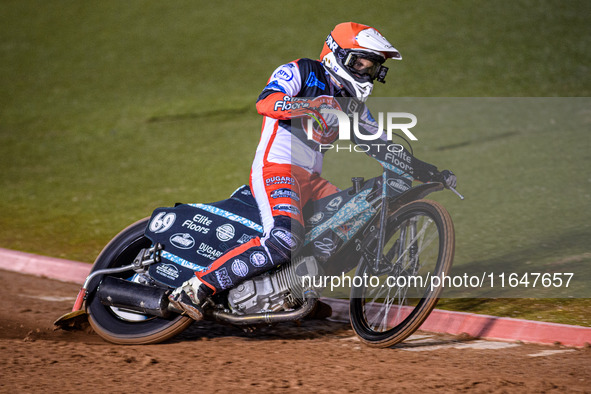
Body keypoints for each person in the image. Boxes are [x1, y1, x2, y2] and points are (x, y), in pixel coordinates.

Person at [168, 22, 457, 320]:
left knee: (352, 232)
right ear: (336, 54)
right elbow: (265, 102)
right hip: (277, 168)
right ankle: (196, 288)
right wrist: (310, 105)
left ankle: (292, 291)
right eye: (359, 62)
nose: (364, 73)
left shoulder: (353, 105)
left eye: (371, 68)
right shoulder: (302, 70)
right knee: (284, 240)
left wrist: (429, 172)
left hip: (312, 180)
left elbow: (382, 147)